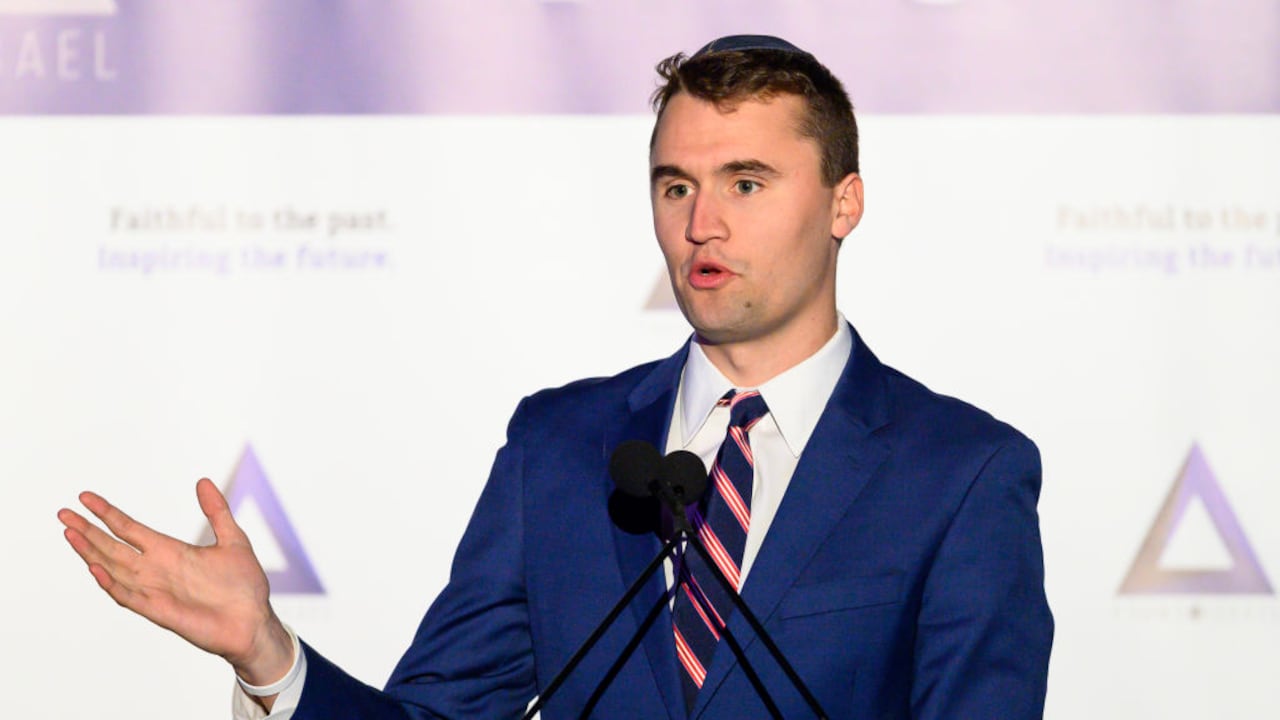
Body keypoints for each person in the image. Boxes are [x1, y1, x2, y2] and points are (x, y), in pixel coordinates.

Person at [58, 34, 1053, 719]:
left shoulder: (961, 475)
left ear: (843, 204)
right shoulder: (558, 448)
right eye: (675, 186)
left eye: (745, 184)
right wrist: (268, 655)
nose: (700, 223)